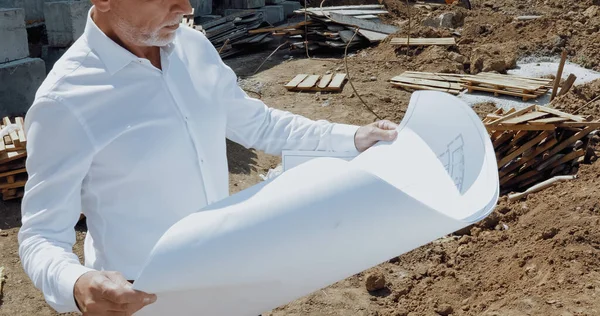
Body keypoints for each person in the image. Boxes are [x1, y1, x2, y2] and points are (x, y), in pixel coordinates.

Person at [17, 0, 399, 314]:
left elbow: (259, 123)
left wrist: (351, 137)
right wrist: (77, 282)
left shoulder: (193, 49)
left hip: (230, 278)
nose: (184, 7)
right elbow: (40, 235)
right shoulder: (65, 102)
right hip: (147, 300)